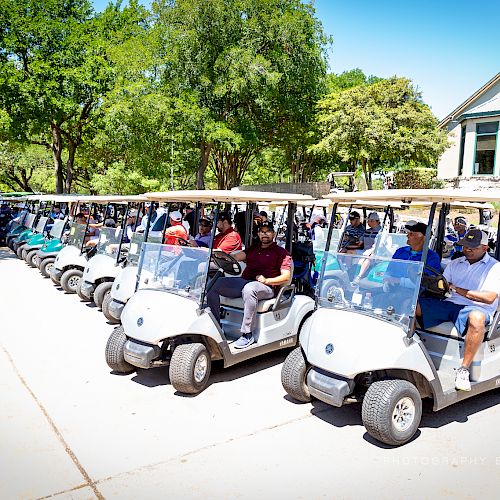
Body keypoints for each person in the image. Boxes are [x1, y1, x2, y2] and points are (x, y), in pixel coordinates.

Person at [417, 229, 500, 391]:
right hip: (451, 304)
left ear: (484, 248)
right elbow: (444, 287)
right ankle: (414, 353)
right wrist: (432, 285)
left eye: (472, 248)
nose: (466, 250)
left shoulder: (495, 268)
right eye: (465, 246)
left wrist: (457, 289)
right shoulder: (455, 263)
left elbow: (489, 298)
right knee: (413, 306)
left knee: (477, 318)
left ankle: (463, 370)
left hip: (477, 308)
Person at [207, 222, 292, 349]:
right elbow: (237, 256)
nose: (264, 234)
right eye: (262, 231)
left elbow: (286, 276)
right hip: (246, 282)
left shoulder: (281, 252)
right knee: (213, 284)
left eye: (268, 231)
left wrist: (267, 280)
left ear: (273, 234)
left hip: (267, 286)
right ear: (258, 234)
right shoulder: (254, 248)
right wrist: (223, 256)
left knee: (249, 289)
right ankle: (216, 327)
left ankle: (247, 334)